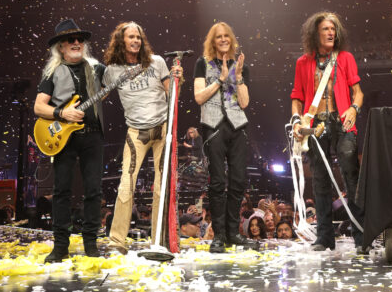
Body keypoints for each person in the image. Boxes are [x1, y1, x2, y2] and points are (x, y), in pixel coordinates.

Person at [103, 21, 182, 255]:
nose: (136, 40)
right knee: (126, 184)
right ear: (121, 41)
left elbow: (173, 93)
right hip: (136, 132)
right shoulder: (112, 70)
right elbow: (100, 94)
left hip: (161, 130)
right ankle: (117, 241)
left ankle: (158, 240)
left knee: (160, 187)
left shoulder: (156, 62)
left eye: (138, 36)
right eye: (131, 37)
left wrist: (178, 79)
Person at [291, 11, 365, 251]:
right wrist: (296, 120)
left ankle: (361, 234)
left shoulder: (345, 58)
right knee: (320, 179)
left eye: (333, 28)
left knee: (350, 171)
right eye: (325, 29)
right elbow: (297, 98)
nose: (331, 32)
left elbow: (358, 92)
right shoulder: (303, 62)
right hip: (315, 124)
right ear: (315, 33)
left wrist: (354, 109)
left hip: (342, 120)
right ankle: (324, 237)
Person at [34, 19, 106, 262]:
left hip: (92, 135)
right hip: (64, 139)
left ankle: (91, 245)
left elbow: (122, 76)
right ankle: (60, 247)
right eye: (70, 40)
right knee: (61, 191)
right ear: (61, 47)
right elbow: (38, 107)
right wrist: (61, 113)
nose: (77, 43)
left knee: (94, 191)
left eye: (80, 40)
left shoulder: (97, 69)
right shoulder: (52, 73)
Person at [193, 22, 258, 253]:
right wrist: (220, 80)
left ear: (231, 39)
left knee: (239, 181)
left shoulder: (241, 66)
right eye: (218, 37)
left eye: (226, 36)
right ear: (213, 41)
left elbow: (244, 103)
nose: (223, 40)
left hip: (237, 127)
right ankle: (219, 234)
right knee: (218, 182)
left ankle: (233, 233)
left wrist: (237, 77)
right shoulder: (202, 63)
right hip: (213, 126)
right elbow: (199, 97)